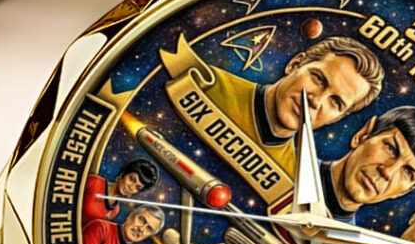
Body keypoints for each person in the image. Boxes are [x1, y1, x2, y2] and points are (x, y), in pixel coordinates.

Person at [161, 33, 383, 182]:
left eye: (335, 102)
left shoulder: (290, 181)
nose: (316, 101)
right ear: (295, 64)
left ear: (337, 118)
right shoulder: (203, 83)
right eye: (318, 79)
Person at [320, 106, 415, 223]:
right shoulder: (304, 163)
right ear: (363, 134)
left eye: (408, 173)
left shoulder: (345, 241)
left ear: (407, 190)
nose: (387, 172)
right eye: (391, 149)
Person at [82, 158, 159, 225]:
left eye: (137, 187)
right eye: (132, 179)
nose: (131, 187)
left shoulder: (115, 210)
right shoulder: (94, 182)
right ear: (123, 174)